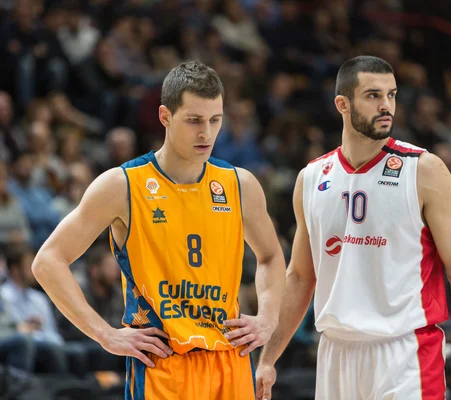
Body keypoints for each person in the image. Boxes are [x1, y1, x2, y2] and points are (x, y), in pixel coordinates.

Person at [32, 60, 286, 399]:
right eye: (194, 120)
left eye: (215, 120)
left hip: (231, 361)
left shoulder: (240, 184)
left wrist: (268, 318)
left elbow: (270, 256)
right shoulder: (121, 186)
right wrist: (104, 334)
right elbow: (47, 261)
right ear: (165, 116)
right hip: (163, 365)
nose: (206, 133)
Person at [255, 56, 451, 400]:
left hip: (405, 353)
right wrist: (268, 358)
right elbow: (301, 277)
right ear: (342, 104)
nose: (386, 106)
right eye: (373, 96)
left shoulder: (423, 169)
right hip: (335, 352)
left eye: (392, 95)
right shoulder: (311, 178)